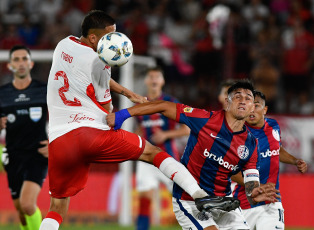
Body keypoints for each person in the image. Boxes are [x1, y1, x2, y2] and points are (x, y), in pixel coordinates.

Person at [39, 10, 235, 230]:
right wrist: (117, 104)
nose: (113, 42)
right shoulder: (100, 63)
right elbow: (107, 109)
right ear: (94, 38)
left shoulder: (64, 45)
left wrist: (127, 92)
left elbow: (87, 73)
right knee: (153, 153)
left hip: (59, 140)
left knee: (56, 207)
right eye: (108, 37)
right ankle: (200, 194)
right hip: (90, 134)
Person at [107, 80, 280, 230]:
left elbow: (250, 182)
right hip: (190, 201)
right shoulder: (205, 119)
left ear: (252, 108)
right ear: (227, 103)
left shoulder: (251, 143)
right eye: (237, 96)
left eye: (248, 98)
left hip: (224, 203)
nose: (243, 100)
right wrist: (123, 114)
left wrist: (254, 192)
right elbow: (163, 106)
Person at [231, 91, 308, 230]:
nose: (252, 110)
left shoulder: (274, 126)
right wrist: (255, 186)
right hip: (242, 203)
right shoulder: (237, 135)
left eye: (257, 106)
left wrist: (295, 161)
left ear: (265, 109)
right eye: (249, 106)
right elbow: (230, 171)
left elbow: (277, 149)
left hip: (271, 201)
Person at [134, 67, 190, 230]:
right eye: (150, 77)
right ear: (146, 81)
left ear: (162, 81)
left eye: (157, 77)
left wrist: (166, 135)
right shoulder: (140, 104)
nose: (153, 80)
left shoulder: (171, 103)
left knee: (183, 198)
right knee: (144, 198)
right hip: (146, 159)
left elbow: (186, 129)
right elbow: (140, 129)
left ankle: (198, 225)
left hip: (168, 158)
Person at [0, 45, 49, 230]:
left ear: (31, 63)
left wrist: (54, 144)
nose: (21, 63)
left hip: (37, 154)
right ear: (10, 65)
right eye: (16, 60)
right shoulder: (2, 94)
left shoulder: (43, 90)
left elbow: (64, 119)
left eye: (24, 59)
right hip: (12, 155)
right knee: (21, 210)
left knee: (28, 205)